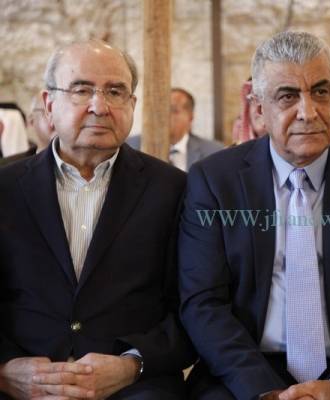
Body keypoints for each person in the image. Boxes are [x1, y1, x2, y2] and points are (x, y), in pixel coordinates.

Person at [179, 31, 330, 400]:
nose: (309, 112)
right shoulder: (215, 180)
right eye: (287, 96)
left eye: (321, 92)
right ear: (258, 110)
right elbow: (203, 302)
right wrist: (265, 391)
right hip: (246, 369)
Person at [0, 39, 195, 399]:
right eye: (81, 90)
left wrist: (132, 365)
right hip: (21, 384)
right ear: (49, 104)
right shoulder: (6, 189)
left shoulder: (174, 189)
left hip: (134, 386)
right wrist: (5, 369)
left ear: (132, 104)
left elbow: (193, 307)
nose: (100, 106)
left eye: (115, 92)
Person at [128, 88, 224, 171]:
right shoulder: (130, 146)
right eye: (160, 110)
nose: (163, 116)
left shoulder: (213, 152)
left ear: (190, 117)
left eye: (173, 110)